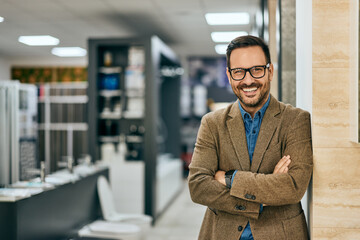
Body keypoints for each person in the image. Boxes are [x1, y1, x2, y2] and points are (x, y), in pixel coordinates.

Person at [188, 35, 313, 240]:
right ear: (229, 76)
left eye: (257, 69)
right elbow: (198, 186)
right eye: (239, 72)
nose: (248, 80)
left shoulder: (296, 120)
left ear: (270, 71)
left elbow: (293, 187)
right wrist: (260, 199)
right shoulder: (212, 123)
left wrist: (229, 178)